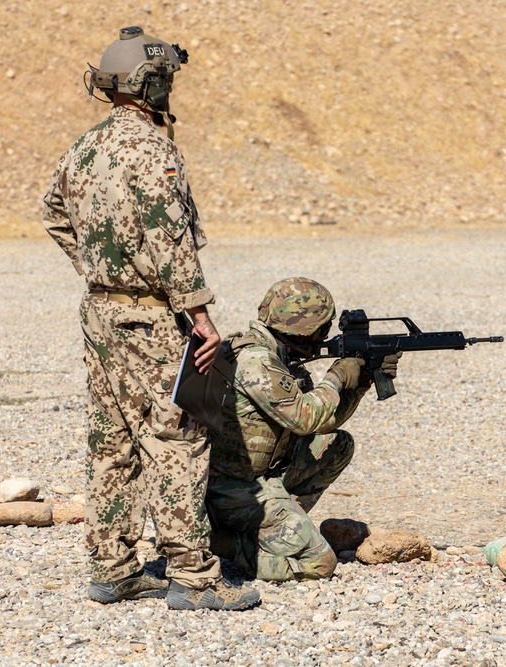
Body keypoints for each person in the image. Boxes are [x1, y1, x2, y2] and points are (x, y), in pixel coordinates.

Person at [41, 26, 258, 611]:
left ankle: (112, 569)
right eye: (167, 78)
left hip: (100, 314)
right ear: (150, 82)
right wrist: (200, 315)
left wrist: (97, 265)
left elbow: (53, 213)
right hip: (152, 319)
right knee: (178, 436)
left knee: (111, 440)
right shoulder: (153, 150)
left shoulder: (85, 147)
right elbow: (171, 241)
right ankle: (195, 578)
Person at [206, 278, 401, 581]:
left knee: (336, 445)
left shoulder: (279, 355)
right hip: (231, 489)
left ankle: (284, 525)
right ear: (304, 331)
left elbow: (323, 422)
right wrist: (336, 377)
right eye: (324, 329)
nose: (327, 335)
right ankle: (227, 544)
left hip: (262, 475)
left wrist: (361, 383)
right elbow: (305, 418)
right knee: (320, 563)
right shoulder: (257, 362)